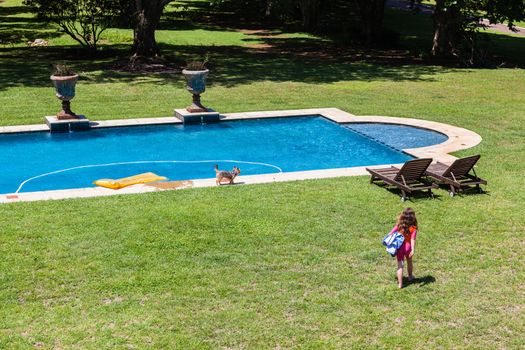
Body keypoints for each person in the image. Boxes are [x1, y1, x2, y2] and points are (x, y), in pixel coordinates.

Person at [389, 208, 418, 288]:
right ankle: (410, 277)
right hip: (408, 247)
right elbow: (412, 239)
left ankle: (400, 284)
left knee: (400, 265)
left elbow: (390, 234)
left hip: (399, 247)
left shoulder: (399, 225)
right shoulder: (413, 228)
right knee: (409, 262)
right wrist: (412, 249)